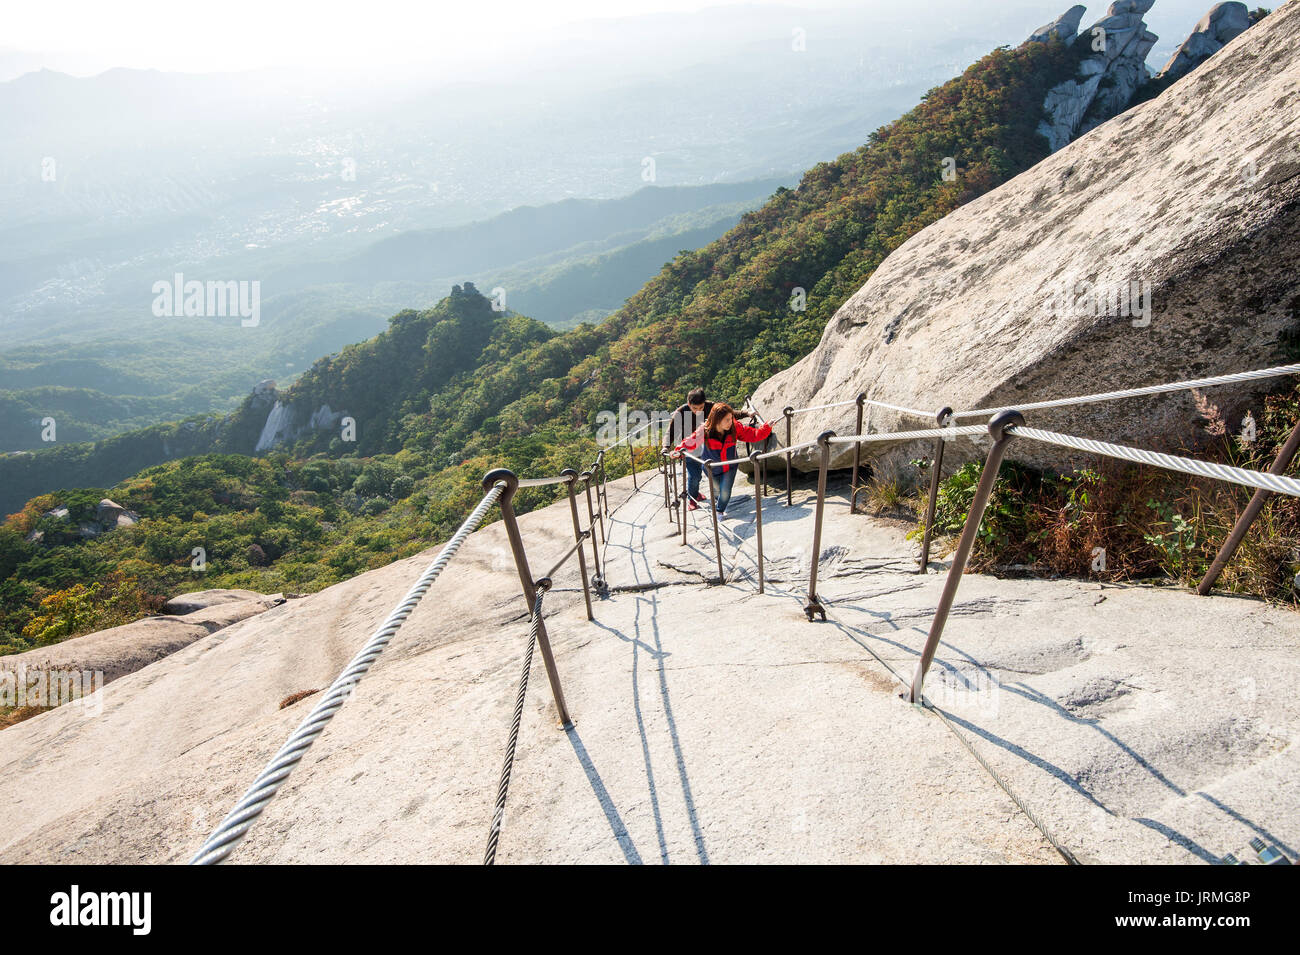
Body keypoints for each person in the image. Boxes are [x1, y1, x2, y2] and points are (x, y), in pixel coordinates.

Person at [672, 402, 772, 515]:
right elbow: (690, 441)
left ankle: (719, 512)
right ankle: (718, 502)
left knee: (725, 492)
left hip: (730, 466)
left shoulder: (735, 427)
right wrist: (678, 452)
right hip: (711, 467)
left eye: (731, 418)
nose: (731, 422)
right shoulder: (705, 430)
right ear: (717, 419)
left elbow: (752, 435)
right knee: (717, 492)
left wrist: (767, 428)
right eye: (727, 420)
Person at [661, 388, 754, 505]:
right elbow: (671, 432)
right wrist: (665, 446)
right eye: (695, 408)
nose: (698, 411)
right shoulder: (680, 412)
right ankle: (693, 500)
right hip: (690, 447)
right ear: (689, 403)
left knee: (714, 473)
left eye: (701, 408)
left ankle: (720, 498)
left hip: (708, 447)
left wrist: (746, 413)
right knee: (694, 477)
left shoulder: (710, 407)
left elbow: (727, 413)